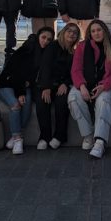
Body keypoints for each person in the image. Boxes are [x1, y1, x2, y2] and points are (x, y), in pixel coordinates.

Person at [0, 26, 55, 154]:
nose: (45, 41)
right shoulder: (26, 50)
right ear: (38, 36)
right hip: (7, 85)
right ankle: (18, 139)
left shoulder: (44, 53)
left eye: (49, 40)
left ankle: (15, 134)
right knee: (16, 105)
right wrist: (20, 92)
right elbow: (17, 73)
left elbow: (36, 77)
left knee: (27, 104)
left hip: (24, 86)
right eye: (43, 37)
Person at [67, 19, 111, 159]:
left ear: (104, 31)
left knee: (103, 101)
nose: (96, 33)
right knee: (73, 98)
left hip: (104, 85)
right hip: (85, 83)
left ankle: (100, 141)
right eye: (93, 31)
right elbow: (76, 70)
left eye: (99, 30)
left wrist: (104, 86)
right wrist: (82, 86)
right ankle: (88, 135)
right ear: (89, 33)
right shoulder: (82, 46)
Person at [36, 22, 80, 150]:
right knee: (42, 103)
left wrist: (65, 84)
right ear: (63, 32)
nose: (72, 34)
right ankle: (44, 137)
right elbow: (45, 66)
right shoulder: (53, 46)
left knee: (62, 102)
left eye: (75, 33)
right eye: (69, 31)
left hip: (62, 84)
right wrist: (46, 87)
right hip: (47, 83)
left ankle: (60, 136)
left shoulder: (74, 52)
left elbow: (73, 71)